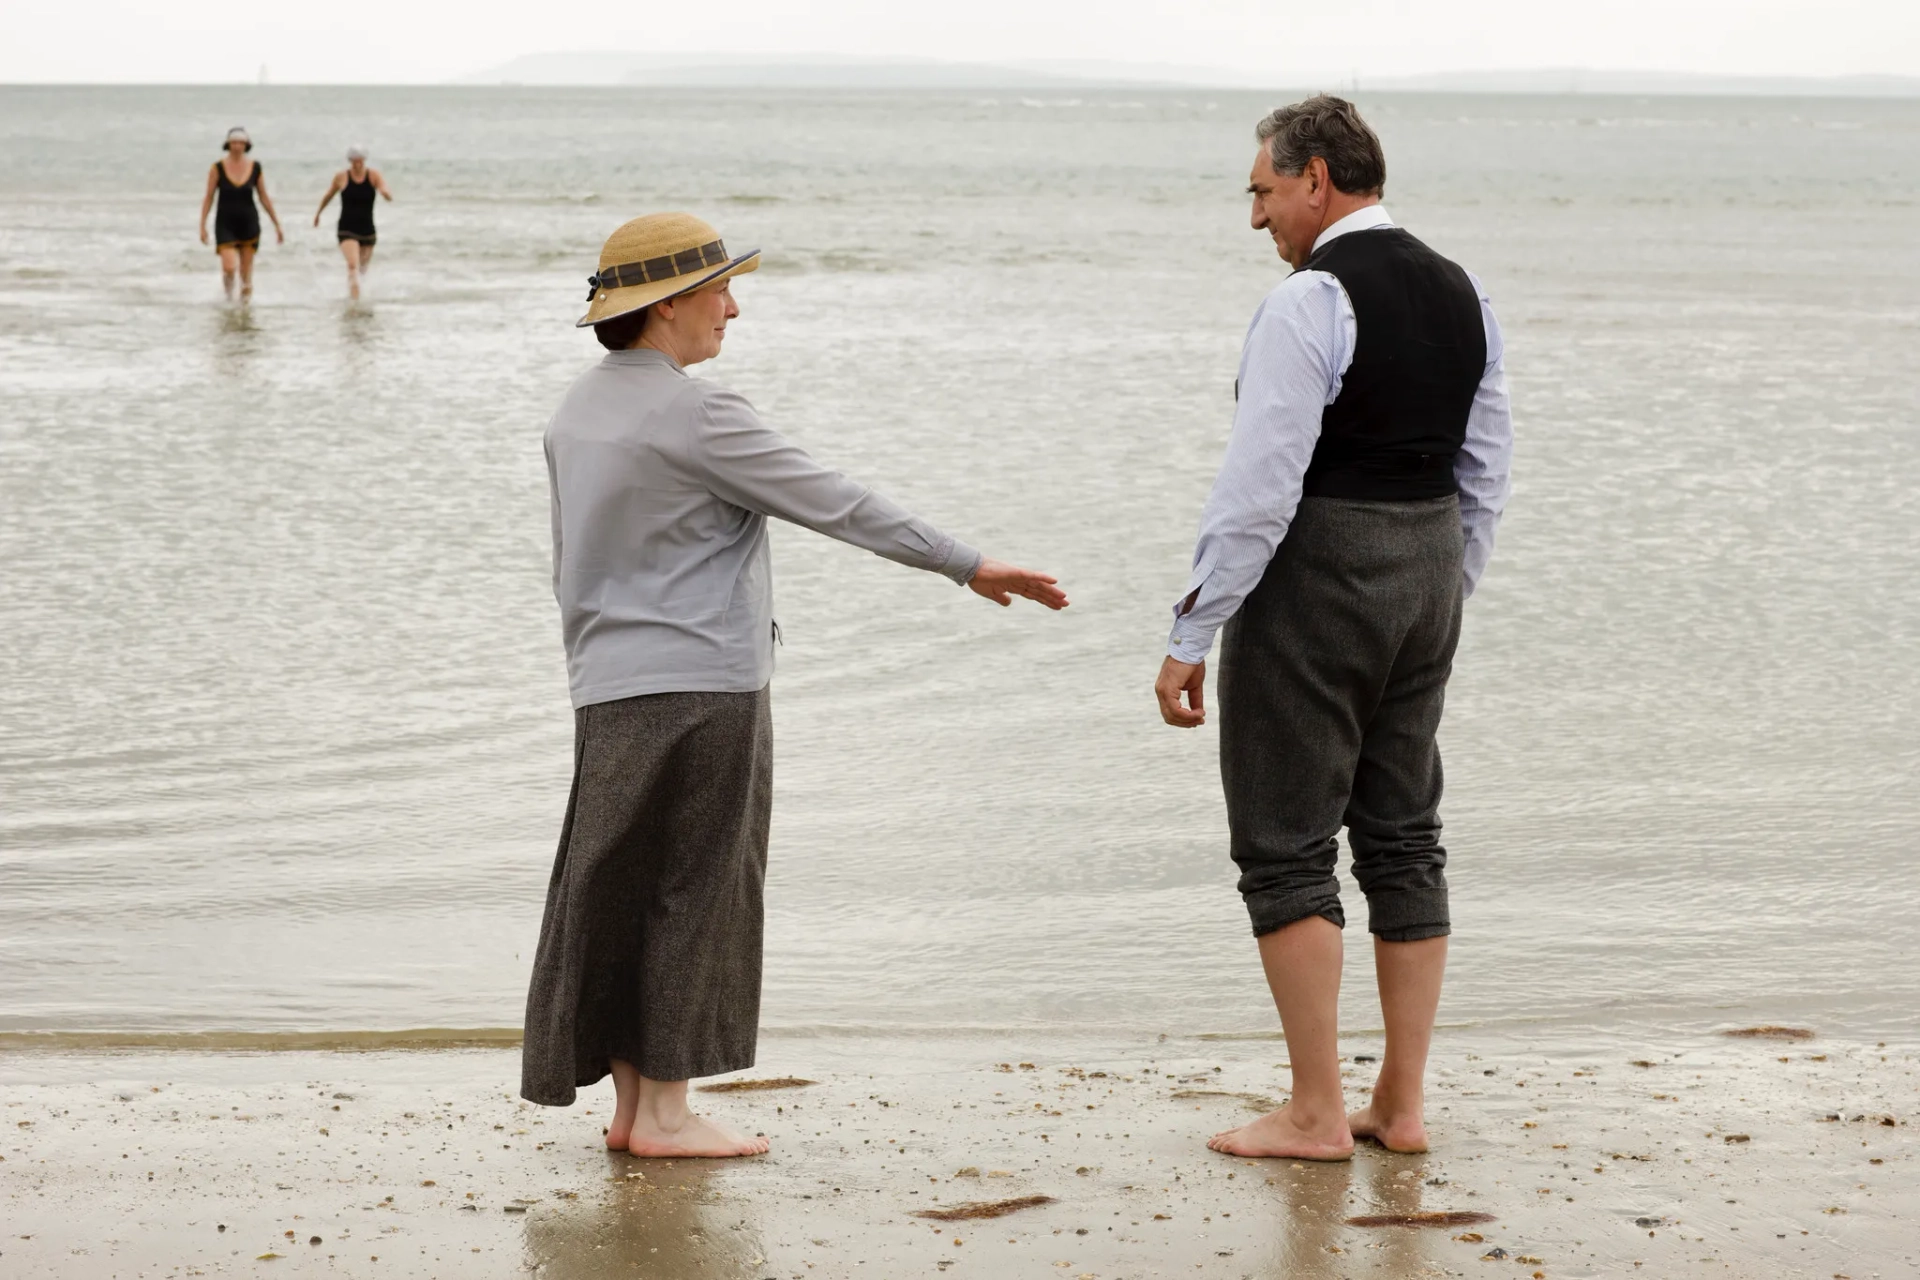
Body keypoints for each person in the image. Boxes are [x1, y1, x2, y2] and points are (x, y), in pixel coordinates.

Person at [521, 212, 1069, 1159]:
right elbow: (838, 503)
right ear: (666, 308)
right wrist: (965, 564)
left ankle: (630, 1109)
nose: (731, 308)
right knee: (697, 891)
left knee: (616, 886)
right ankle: (666, 1116)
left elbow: (571, 566)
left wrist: (592, 668)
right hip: (706, 691)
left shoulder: (575, 410)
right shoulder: (699, 414)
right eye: (718, 292)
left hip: (606, 688)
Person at [1154, 96, 1513, 1160]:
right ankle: (1400, 1104)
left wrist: (1193, 627)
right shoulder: (1467, 291)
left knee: (1285, 840)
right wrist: (1442, 582)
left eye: (1262, 191)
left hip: (1320, 573)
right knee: (1405, 830)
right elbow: (1485, 469)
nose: (1256, 217)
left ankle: (1315, 1109)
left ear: (1316, 179)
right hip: (1429, 568)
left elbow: (1260, 488)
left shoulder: (1310, 303)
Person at [197, 128, 283, 302]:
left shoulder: (255, 167)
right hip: (225, 223)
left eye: (241, 143)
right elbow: (209, 197)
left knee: (245, 276)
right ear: (228, 145)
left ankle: (244, 311)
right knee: (229, 267)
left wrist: (277, 225)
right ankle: (228, 300)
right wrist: (202, 225)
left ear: (246, 145)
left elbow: (264, 197)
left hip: (249, 222)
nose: (237, 146)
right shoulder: (217, 168)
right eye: (234, 143)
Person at [313, 147, 393, 300]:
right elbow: (329, 195)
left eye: (360, 160)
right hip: (346, 229)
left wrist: (386, 194)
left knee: (362, 271)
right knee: (352, 266)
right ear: (350, 161)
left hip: (367, 229)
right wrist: (318, 213)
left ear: (364, 160)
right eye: (354, 161)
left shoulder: (373, 175)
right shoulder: (342, 177)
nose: (357, 164)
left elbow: (384, 187)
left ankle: (359, 301)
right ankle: (354, 304)